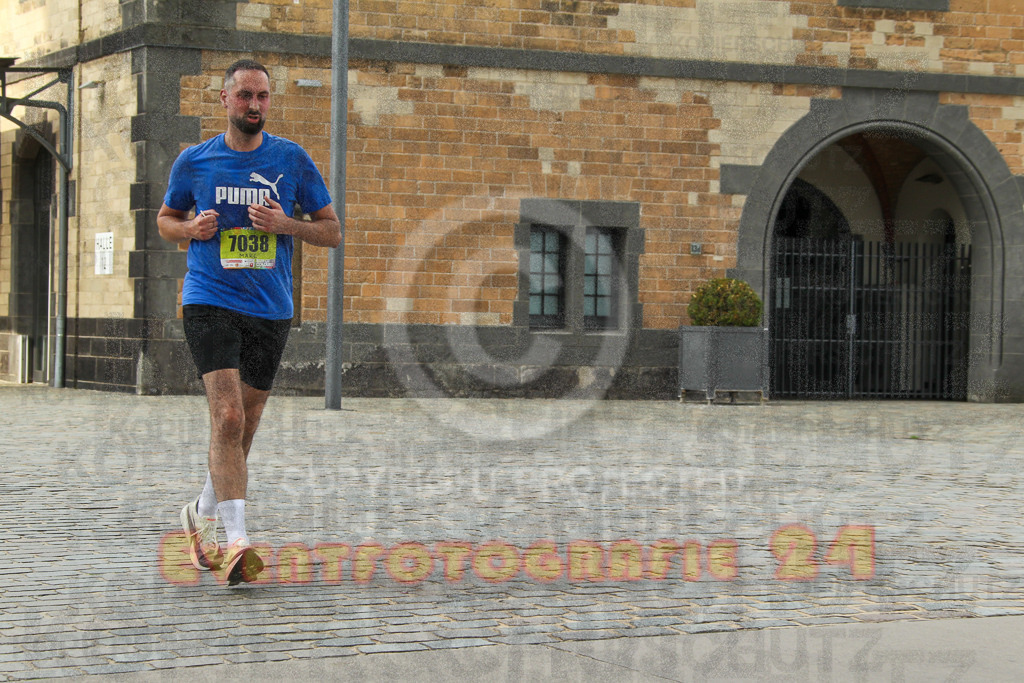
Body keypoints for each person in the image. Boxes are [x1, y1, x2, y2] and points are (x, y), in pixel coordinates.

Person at [157, 58, 341, 585]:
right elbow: (165, 221)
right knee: (229, 418)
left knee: (245, 426)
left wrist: (286, 223)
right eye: (244, 96)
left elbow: (332, 231)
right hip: (210, 299)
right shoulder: (194, 161)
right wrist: (191, 227)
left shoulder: (291, 160)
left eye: (262, 96)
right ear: (224, 100)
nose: (254, 105)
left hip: (270, 307)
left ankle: (199, 513)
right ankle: (237, 542)